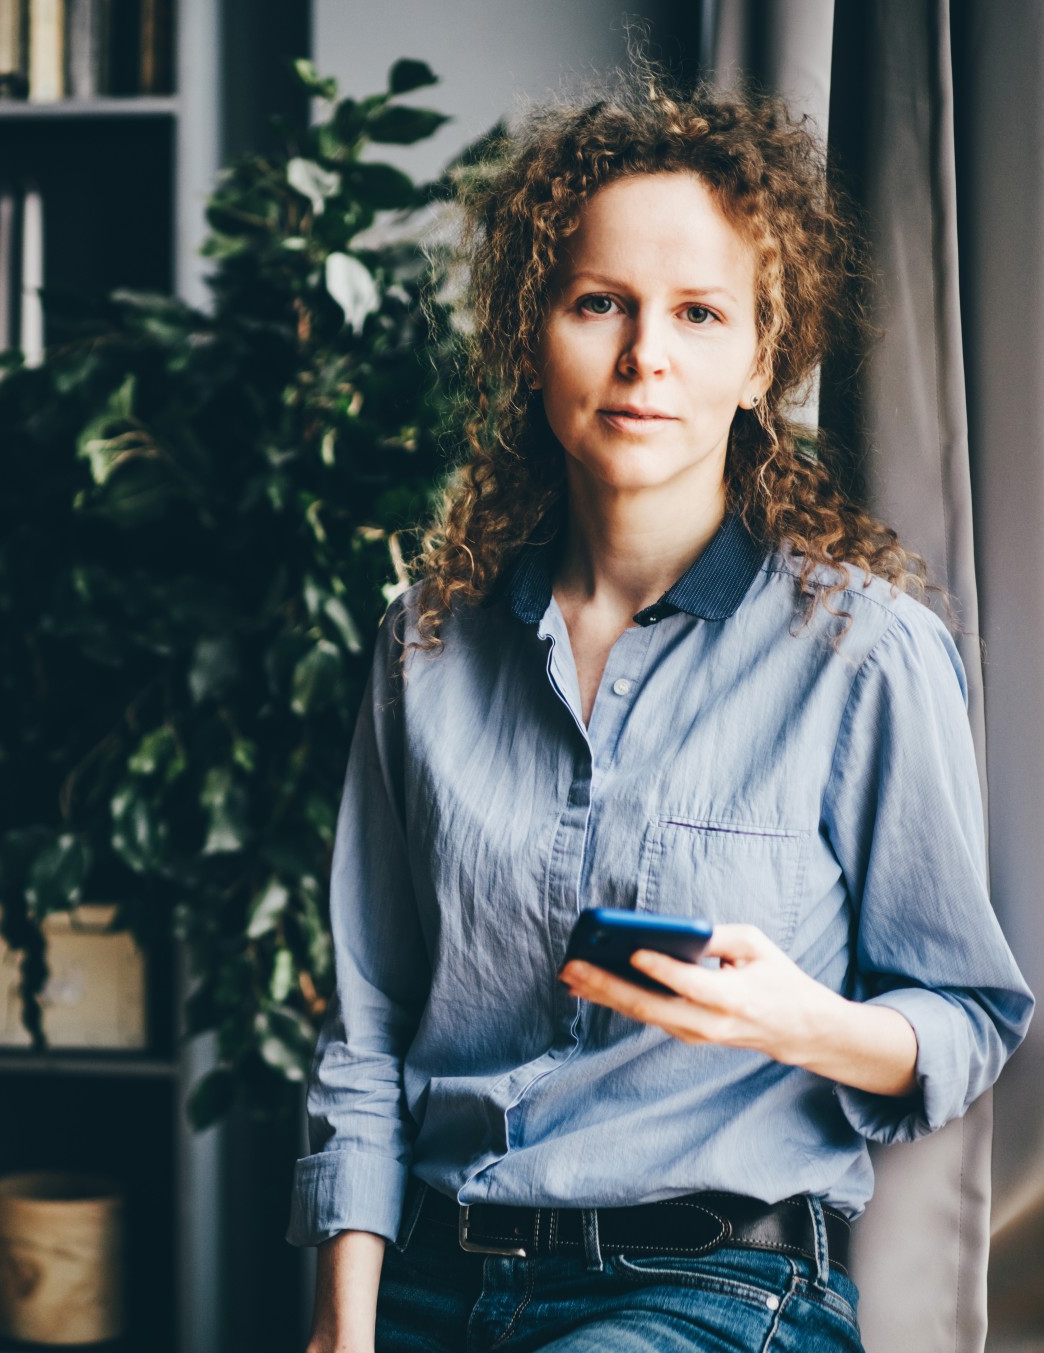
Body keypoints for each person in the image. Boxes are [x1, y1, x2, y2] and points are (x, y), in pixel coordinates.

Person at [289, 68, 1036, 1353]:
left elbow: (966, 1021)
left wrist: (792, 1019)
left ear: (762, 362)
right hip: (431, 1279)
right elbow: (367, 1026)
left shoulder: (865, 654)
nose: (646, 356)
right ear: (535, 337)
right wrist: (340, 1326)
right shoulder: (421, 647)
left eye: (698, 313)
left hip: (716, 1289)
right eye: (601, 305)